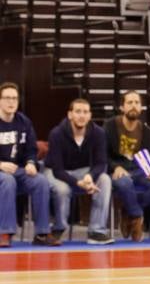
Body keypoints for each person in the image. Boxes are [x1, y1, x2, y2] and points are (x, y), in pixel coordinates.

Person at [45, 98, 114, 245]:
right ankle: (59, 228)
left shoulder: (98, 133)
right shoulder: (56, 134)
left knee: (105, 179)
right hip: (55, 171)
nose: (81, 116)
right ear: (70, 115)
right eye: (77, 112)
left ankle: (97, 231)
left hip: (83, 172)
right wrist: (78, 183)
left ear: (90, 116)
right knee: (62, 189)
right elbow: (58, 170)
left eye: (85, 112)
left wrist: (90, 176)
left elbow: (101, 163)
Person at [104, 90, 150, 242]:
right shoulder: (110, 126)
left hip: (138, 170)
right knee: (125, 183)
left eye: (137, 103)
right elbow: (102, 154)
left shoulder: (145, 130)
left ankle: (129, 210)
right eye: (130, 103)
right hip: (117, 170)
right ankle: (137, 216)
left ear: (141, 107)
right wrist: (114, 167)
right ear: (122, 107)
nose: (133, 106)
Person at [0, 83, 52, 247]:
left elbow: (31, 149)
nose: (11, 102)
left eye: (14, 98)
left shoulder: (24, 122)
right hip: (2, 172)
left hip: (19, 171)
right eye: (7, 98)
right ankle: (5, 232)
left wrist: (31, 163)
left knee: (41, 181)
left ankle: (42, 233)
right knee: (7, 181)